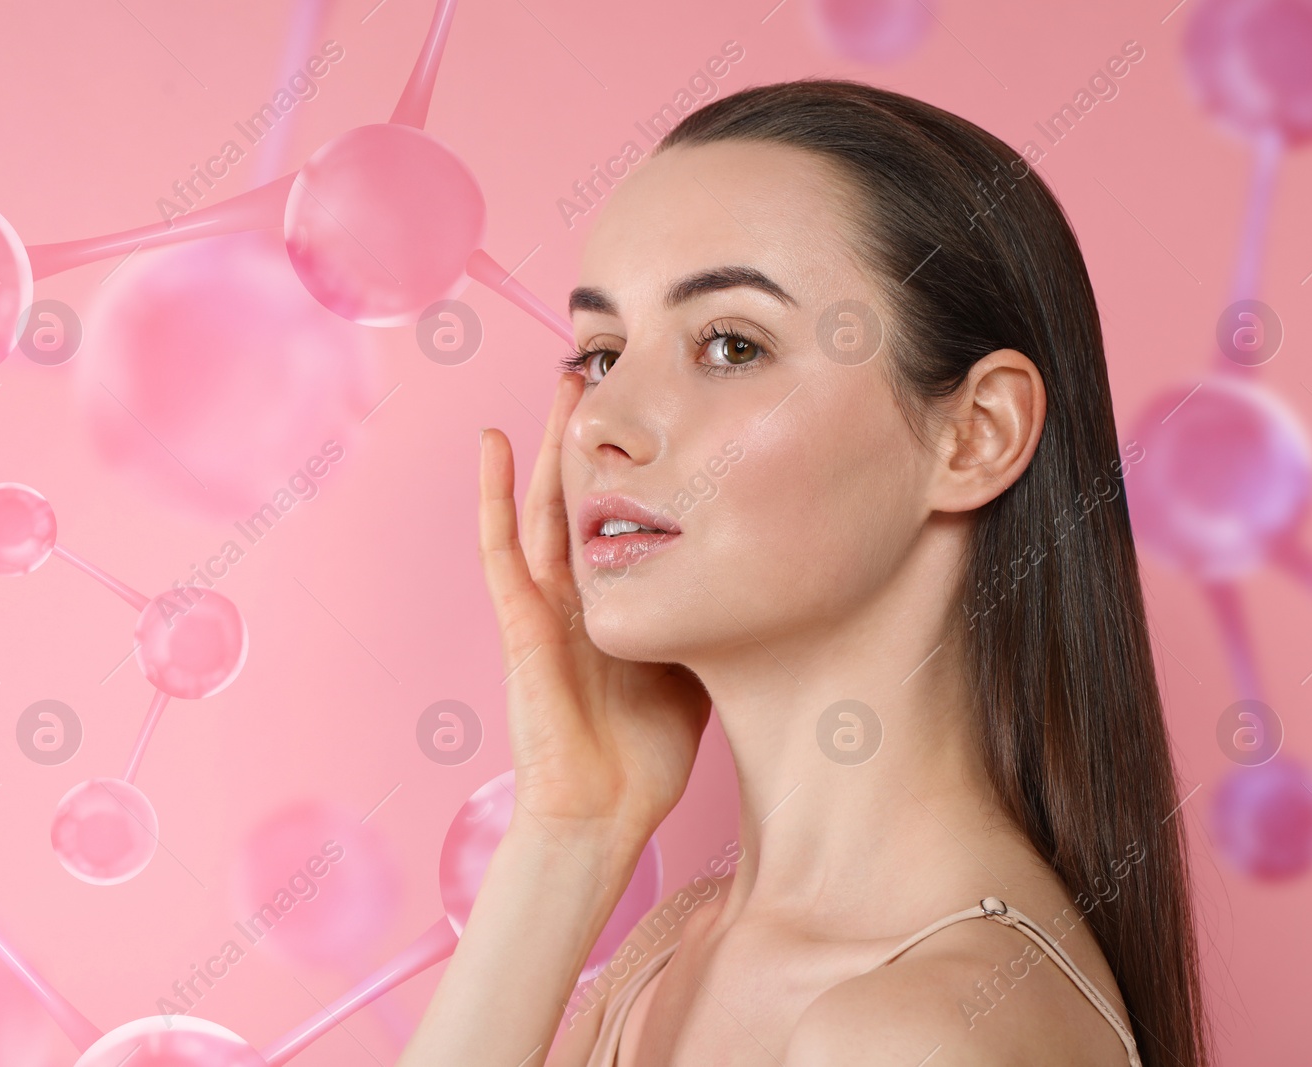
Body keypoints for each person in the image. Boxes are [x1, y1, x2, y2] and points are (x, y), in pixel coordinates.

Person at [399, 79, 1208, 1066]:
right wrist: (570, 826)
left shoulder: (922, 1030)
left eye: (730, 343)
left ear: (975, 434)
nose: (602, 423)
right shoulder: (667, 962)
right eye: (604, 353)